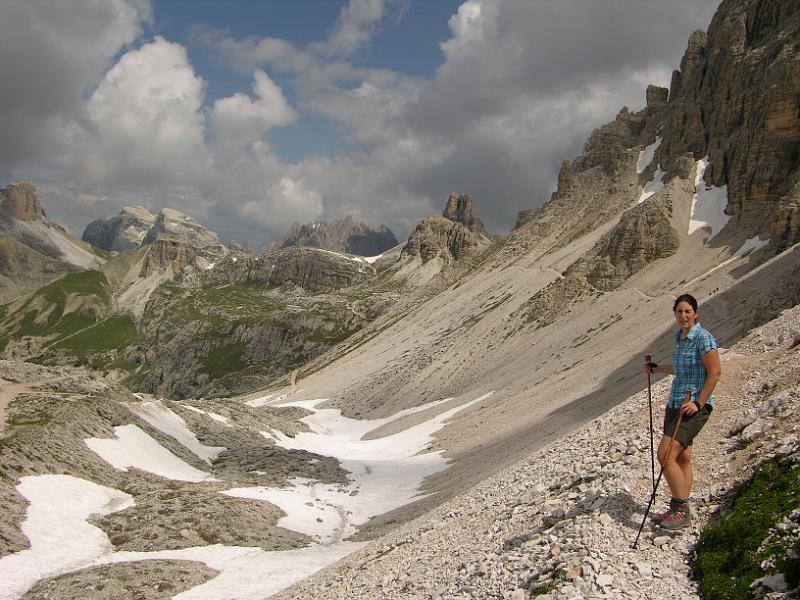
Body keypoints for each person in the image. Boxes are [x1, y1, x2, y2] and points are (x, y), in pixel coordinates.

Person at [643, 293, 721, 530]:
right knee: (682, 457)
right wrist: (657, 369)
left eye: (688, 311)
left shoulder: (703, 339)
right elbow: (681, 368)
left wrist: (698, 403)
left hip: (691, 407)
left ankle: (680, 509)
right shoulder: (682, 338)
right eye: (679, 312)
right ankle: (679, 506)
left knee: (665, 455)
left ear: (696, 313)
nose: (683, 315)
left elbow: (715, 372)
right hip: (676, 403)